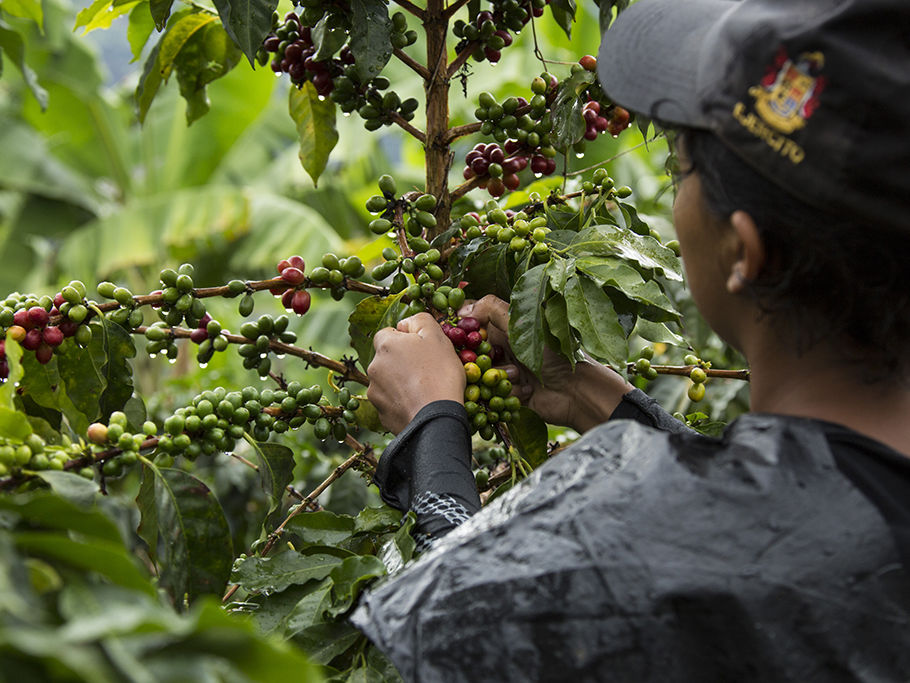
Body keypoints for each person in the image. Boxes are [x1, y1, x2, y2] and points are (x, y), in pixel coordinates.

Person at [351, 0, 910, 679]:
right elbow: (797, 505)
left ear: (744, 250)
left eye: (681, 172)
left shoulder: (615, 541)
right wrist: (593, 394)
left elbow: (467, 635)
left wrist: (432, 429)